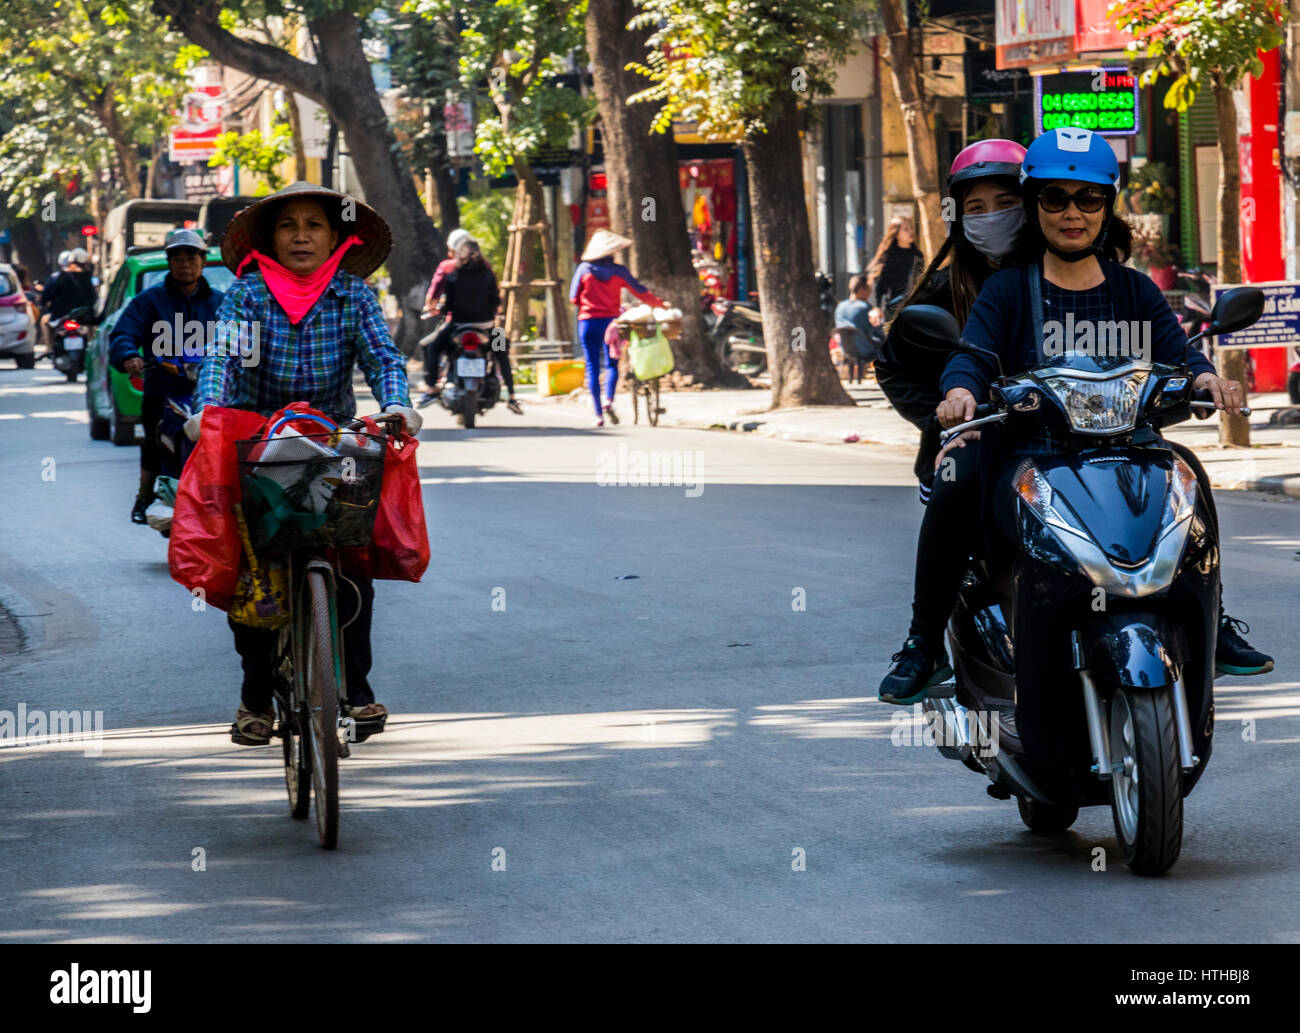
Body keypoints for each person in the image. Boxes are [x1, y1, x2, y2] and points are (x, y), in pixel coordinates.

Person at [878, 127, 1271, 705]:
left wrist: (1206, 377)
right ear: (1036, 204)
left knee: (1187, 471)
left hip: (1123, 443)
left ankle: (1210, 622)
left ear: (1107, 207)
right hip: (1025, 447)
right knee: (957, 475)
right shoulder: (1007, 290)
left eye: (1088, 199)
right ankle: (922, 642)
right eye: (1054, 198)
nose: (1071, 212)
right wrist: (958, 397)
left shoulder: (1132, 288)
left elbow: (1178, 352)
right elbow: (973, 354)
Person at [185, 181, 422, 746]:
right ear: (270, 238)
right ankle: (255, 697)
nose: (300, 236)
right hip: (259, 444)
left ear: (335, 236)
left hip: (332, 441)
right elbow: (222, 358)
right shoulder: (246, 295)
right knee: (255, 575)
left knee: (351, 568)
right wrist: (208, 411)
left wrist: (397, 404)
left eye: (314, 225)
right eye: (288, 225)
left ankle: (357, 692)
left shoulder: (353, 294)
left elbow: (383, 357)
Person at [109, 229, 224, 524]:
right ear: (169, 262)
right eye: (178, 258)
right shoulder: (149, 301)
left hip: (212, 393)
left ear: (202, 261)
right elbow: (123, 332)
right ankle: (145, 494)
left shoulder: (222, 302)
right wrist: (128, 355)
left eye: (191, 258)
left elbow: (243, 339)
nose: (185, 264)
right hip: (164, 389)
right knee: (151, 440)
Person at [570, 229, 667, 427]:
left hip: (587, 323)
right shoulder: (619, 271)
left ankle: (598, 415)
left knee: (592, 367)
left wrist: (590, 302)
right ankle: (609, 401)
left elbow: (574, 298)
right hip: (612, 324)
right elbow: (641, 292)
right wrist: (661, 304)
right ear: (611, 252)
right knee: (612, 364)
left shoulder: (583, 269)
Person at [431, 234, 522, 415]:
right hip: (487, 327)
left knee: (432, 347)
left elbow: (447, 306)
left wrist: (440, 310)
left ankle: (432, 389)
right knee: (502, 355)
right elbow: (496, 302)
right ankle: (512, 396)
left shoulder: (453, 276)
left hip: (457, 327)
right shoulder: (488, 275)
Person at [418, 227, 472, 406]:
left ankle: (432, 388)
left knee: (428, 346)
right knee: (501, 348)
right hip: (486, 324)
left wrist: (431, 306)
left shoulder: (448, 267)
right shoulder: (484, 266)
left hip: (455, 323)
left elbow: (433, 295)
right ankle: (507, 386)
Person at [866, 215, 925, 320]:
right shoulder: (888, 255)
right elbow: (878, 283)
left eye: (911, 228)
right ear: (896, 233)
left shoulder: (918, 255)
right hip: (893, 308)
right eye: (906, 229)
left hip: (914, 306)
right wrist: (876, 307)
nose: (910, 231)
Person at [40, 247, 96, 354]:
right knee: (92, 326)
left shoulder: (60, 277)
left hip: (60, 316)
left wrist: (45, 304)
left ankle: (49, 348)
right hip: (83, 317)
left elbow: (48, 295)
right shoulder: (87, 278)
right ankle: (90, 347)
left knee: (44, 320)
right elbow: (93, 298)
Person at [832, 274, 880, 384]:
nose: (870, 292)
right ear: (862, 290)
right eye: (869, 289)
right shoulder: (864, 307)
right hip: (865, 349)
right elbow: (872, 330)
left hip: (845, 349)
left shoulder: (840, 306)